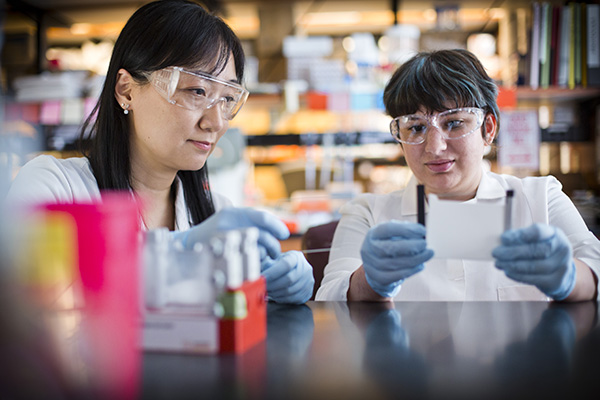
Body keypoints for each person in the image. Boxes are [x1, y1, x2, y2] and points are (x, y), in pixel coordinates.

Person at [4, 0, 313, 304]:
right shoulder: (54, 190)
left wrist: (269, 293)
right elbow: (21, 305)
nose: (216, 122)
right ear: (126, 90)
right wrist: (179, 252)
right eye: (197, 91)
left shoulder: (214, 213)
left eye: (228, 98)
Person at [316, 49, 600, 302]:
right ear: (399, 138)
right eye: (415, 128)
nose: (435, 147)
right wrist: (370, 280)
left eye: (453, 123)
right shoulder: (367, 213)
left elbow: (595, 267)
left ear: (488, 129)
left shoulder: (540, 199)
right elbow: (330, 297)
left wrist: (569, 277)